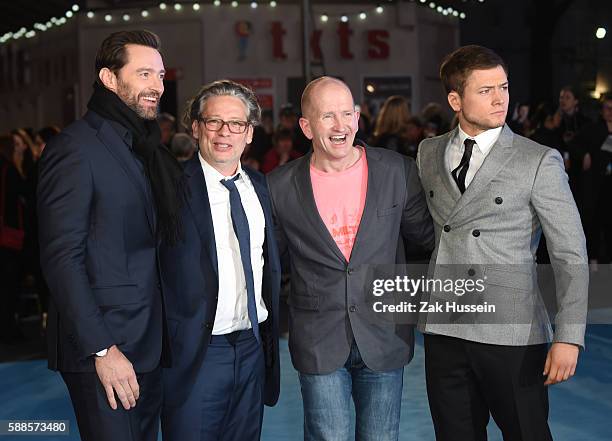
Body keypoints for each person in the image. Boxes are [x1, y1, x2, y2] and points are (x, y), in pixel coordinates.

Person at [416, 45, 588, 441]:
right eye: (486, 90)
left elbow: (570, 254)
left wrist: (568, 336)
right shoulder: (427, 153)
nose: (500, 99)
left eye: (504, 87)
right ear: (455, 100)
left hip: (511, 331)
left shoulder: (538, 160)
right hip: (445, 327)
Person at [267, 76, 434, 441]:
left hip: (385, 335)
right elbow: (268, 261)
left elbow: (429, 240)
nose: (340, 125)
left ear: (358, 118)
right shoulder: (278, 185)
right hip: (318, 338)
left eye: (347, 113)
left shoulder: (397, 171)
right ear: (306, 126)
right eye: (328, 116)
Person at [37, 30, 182, 441]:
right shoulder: (75, 149)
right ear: (109, 78)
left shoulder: (145, 147)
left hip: (149, 342)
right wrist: (103, 349)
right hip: (106, 350)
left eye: (159, 74)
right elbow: (62, 257)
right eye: (143, 74)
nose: (156, 85)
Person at [160, 79, 281, 441]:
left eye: (236, 124)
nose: (224, 132)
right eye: (213, 122)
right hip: (195, 356)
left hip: (251, 349)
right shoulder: (169, 191)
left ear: (249, 133)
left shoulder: (261, 187)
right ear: (196, 127)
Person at [574, 93, 612, 263]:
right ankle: (593, 259)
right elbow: (576, 144)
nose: (610, 112)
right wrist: (585, 154)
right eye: (607, 108)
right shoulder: (593, 128)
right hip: (597, 184)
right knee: (594, 220)